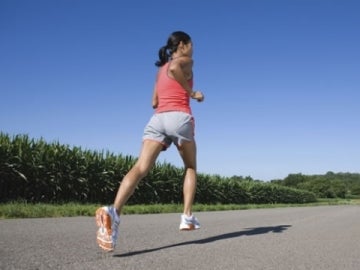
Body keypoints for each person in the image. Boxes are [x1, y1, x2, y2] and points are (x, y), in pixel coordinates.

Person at [95, 31, 205, 252]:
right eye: (191, 44)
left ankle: (114, 212)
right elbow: (176, 68)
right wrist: (192, 93)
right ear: (182, 45)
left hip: (157, 120)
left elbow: (154, 101)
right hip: (179, 117)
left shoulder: (159, 70)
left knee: (141, 167)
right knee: (190, 166)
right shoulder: (184, 61)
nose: (193, 49)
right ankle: (187, 216)